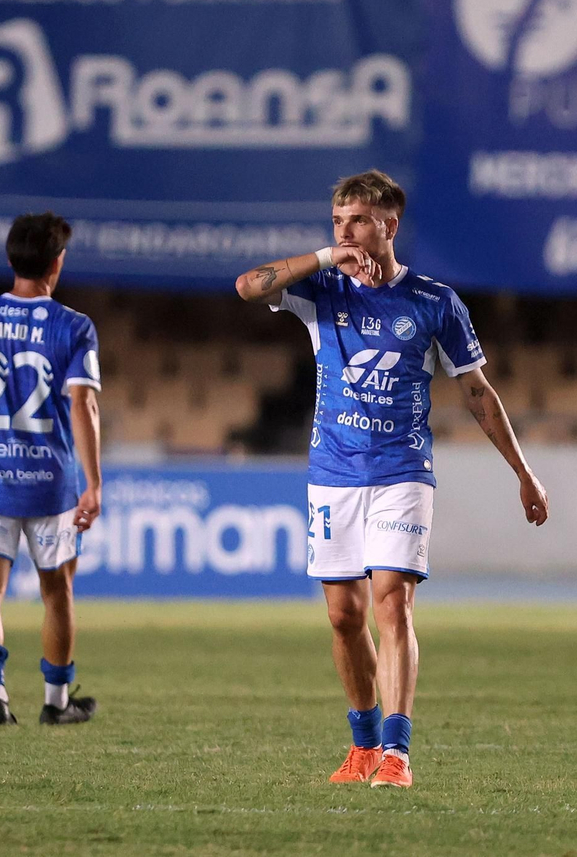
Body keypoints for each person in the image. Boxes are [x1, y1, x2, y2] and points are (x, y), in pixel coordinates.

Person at [235, 170, 549, 789]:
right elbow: (247, 287)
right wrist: (325, 256)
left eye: (357, 221)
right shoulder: (321, 289)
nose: (346, 232)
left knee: (392, 601)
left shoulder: (434, 302)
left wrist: (523, 471)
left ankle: (398, 753)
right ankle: (363, 746)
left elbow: (478, 392)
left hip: (401, 472)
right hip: (332, 475)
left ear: (389, 225)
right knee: (343, 617)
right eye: (337, 222)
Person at [0, 211, 103, 727]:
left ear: (11, 258)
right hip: (51, 486)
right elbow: (84, 405)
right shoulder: (74, 326)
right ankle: (56, 705)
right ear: (57, 262)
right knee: (57, 593)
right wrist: (94, 483)